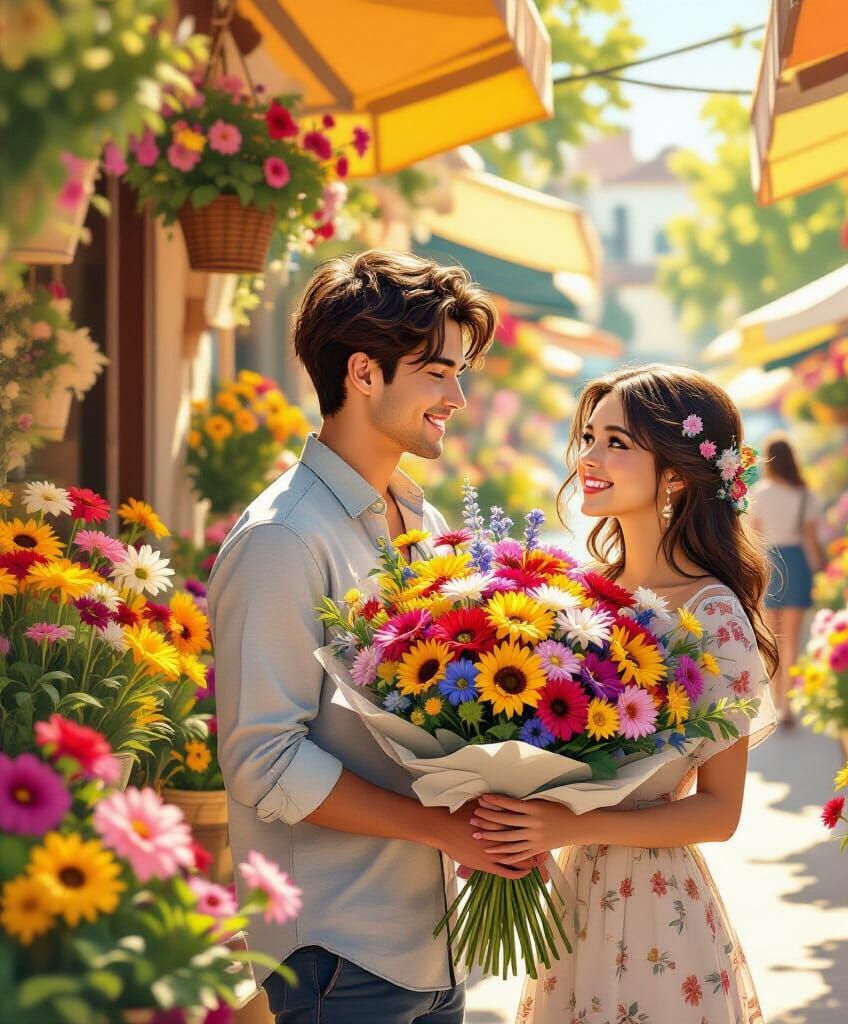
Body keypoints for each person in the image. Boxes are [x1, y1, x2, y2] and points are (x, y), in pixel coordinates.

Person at [208, 250, 543, 1024]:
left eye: (460, 372)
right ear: (363, 373)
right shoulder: (283, 540)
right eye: (436, 371)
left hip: (431, 946)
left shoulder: (421, 523)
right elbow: (265, 760)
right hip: (337, 956)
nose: (458, 396)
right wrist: (442, 830)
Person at [469, 365, 778, 1024]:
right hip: (574, 901)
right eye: (588, 437)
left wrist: (565, 825)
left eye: (616, 442)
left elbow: (719, 813)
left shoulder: (711, 613)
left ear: (674, 474)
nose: (589, 457)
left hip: (656, 914)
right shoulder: (580, 596)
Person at [749, 433, 824, 726]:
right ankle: (787, 705)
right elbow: (810, 540)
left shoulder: (760, 494)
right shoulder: (805, 495)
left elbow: (754, 538)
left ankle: (771, 705)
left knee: (771, 639)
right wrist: (820, 571)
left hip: (770, 564)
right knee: (792, 640)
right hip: (797, 562)